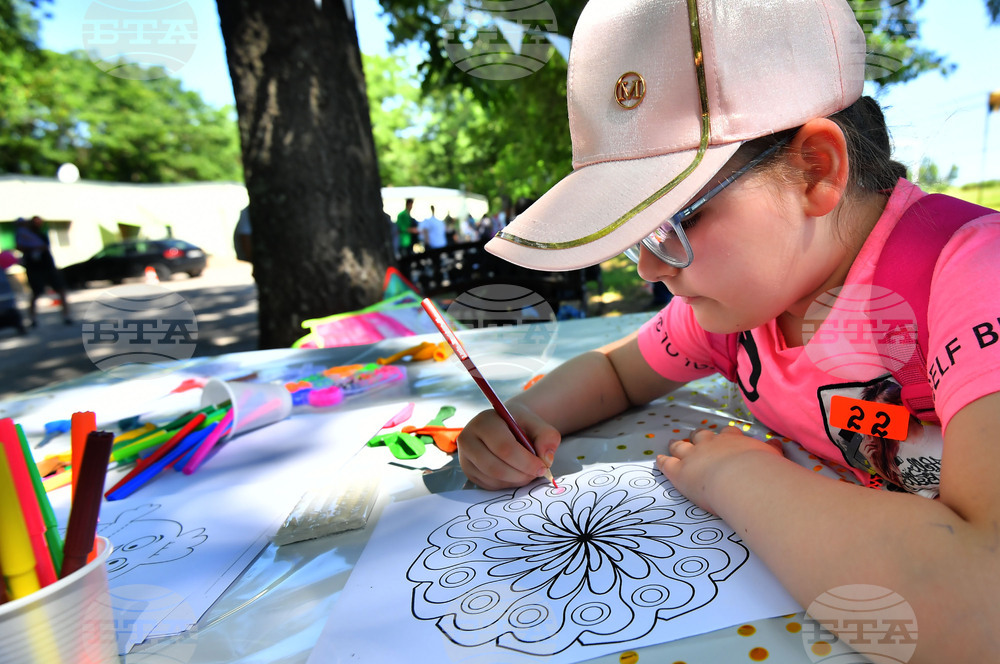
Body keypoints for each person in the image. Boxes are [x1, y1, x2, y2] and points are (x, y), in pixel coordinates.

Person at [461, 1, 1000, 661]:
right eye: (637, 234)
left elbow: (982, 606)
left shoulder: (969, 274)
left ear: (815, 171)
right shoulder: (741, 311)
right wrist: (522, 414)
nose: (652, 268)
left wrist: (740, 479)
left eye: (675, 221)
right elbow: (615, 371)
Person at [15, 216, 72, 326]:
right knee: (35, 293)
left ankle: (66, 316)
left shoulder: (41, 235)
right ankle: (32, 319)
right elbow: (20, 247)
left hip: (48, 267)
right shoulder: (22, 235)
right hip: (34, 269)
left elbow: (45, 247)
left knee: (61, 290)